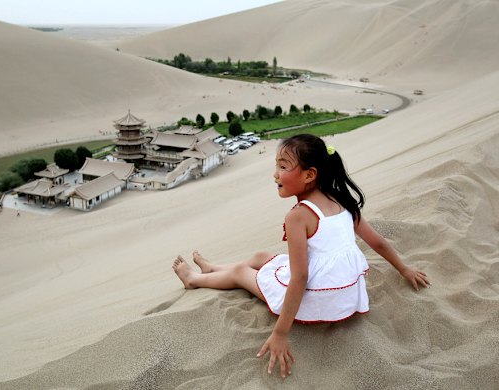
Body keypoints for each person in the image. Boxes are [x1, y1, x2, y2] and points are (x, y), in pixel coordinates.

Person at [172, 134, 430, 378]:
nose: (276, 174)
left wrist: (281, 333)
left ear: (309, 175)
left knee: (242, 274)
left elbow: (301, 276)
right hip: (345, 293)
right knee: (263, 256)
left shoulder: (298, 216)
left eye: (283, 167)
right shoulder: (340, 199)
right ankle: (213, 268)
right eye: (277, 166)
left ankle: (194, 280)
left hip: (316, 298)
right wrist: (404, 269)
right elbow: (378, 242)